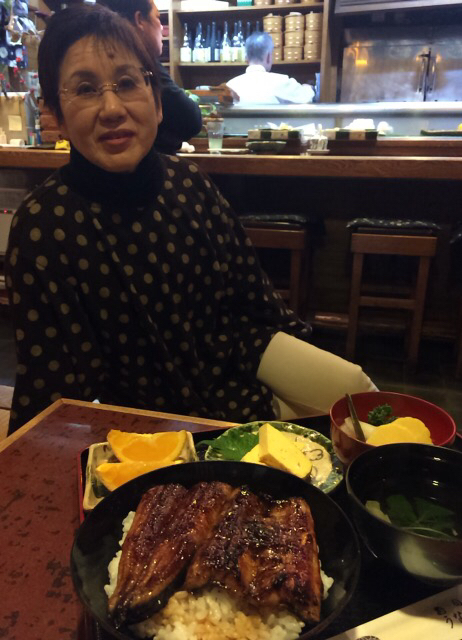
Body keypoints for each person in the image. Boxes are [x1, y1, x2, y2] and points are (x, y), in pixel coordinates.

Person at [5, 4, 375, 434]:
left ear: (157, 101)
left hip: (236, 366)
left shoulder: (189, 183)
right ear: (57, 115)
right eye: (85, 89)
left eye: (127, 83)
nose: (112, 108)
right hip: (139, 421)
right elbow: (52, 390)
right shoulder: (43, 226)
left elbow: (253, 304)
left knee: (361, 399)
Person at [99, 0, 202, 154]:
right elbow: (189, 120)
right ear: (139, 19)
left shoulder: (95, 56)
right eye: (158, 18)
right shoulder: (139, 61)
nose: (161, 27)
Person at [227, 32, 315, 105]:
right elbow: (307, 98)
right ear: (269, 56)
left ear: (246, 58)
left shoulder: (230, 86)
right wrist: (308, 88)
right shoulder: (282, 81)